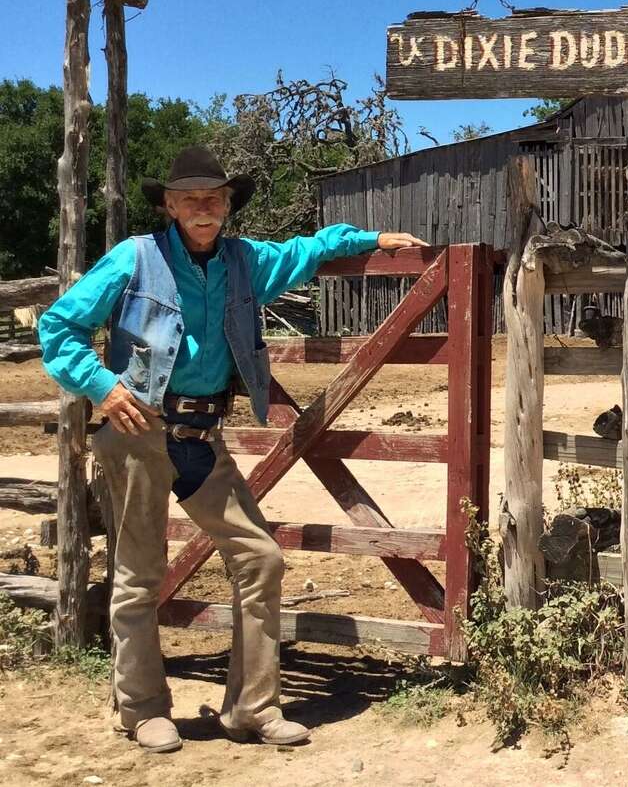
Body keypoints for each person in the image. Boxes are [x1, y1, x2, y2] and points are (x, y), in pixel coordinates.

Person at [38, 145, 426, 753]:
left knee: (260, 557)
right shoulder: (134, 258)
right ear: (168, 204)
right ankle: (141, 710)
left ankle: (251, 709)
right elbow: (58, 326)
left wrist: (372, 237)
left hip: (201, 437)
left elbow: (310, 248)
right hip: (140, 432)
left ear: (228, 206)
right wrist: (104, 388)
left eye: (213, 197)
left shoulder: (245, 262)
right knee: (139, 574)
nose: (202, 206)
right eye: (189, 197)